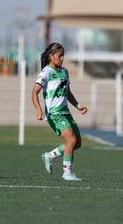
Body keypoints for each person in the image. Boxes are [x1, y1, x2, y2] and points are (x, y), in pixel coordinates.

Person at [32, 42, 88, 181]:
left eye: (63, 55)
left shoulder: (64, 71)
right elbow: (34, 92)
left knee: (77, 143)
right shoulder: (46, 72)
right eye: (59, 55)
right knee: (71, 140)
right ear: (51, 56)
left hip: (65, 112)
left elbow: (67, 92)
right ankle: (67, 173)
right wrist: (39, 110)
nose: (62, 58)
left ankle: (49, 156)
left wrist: (78, 105)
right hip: (54, 113)